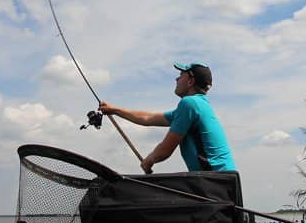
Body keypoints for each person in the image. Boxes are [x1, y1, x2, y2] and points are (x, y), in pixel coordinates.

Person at [100, 62, 235, 174]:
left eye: (181, 75)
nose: (176, 79)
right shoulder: (196, 105)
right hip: (221, 180)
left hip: (216, 181)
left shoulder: (189, 104)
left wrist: (149, 160)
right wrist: (114, 110)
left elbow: (165, 150)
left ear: (190, 81)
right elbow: (148, 118)